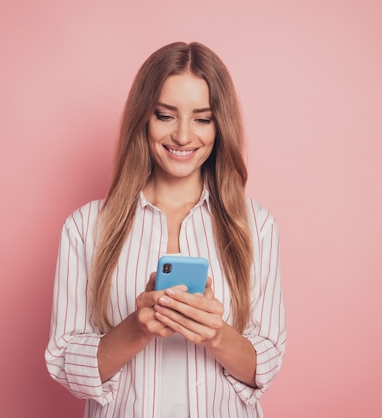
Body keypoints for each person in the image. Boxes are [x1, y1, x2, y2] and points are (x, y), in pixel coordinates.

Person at [45, 41, 286, 418]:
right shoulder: (86, 228)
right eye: (166, 115)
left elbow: (266, 362)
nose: (183, 136)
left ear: (220, 126)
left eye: (202, 118)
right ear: (144, 117)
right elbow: (64, 362)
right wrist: (137, 329)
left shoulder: (255, 226)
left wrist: (215, 334)